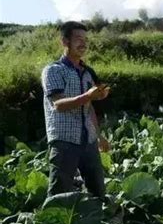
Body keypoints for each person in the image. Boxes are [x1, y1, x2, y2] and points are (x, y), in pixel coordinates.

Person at [41, 21, 111, 199]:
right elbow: (58, 105)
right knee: (58, 194)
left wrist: (99, 136)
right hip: (64, 141)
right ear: (65, 42)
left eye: (85, 39)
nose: (83, 43)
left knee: (98, 192)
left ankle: (95, 223)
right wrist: (88, 95)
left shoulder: (87, 73)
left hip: (88, 141)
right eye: (78, 39)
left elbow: (89, 109)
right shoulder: (53, 71)